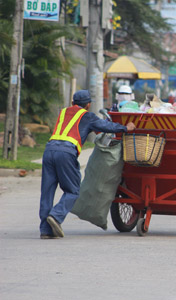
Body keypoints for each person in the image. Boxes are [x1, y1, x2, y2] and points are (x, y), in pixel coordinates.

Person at [39, 90, 136, 239]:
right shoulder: (88, 116)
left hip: (49, 150)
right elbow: (106, 126)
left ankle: (45, 230)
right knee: (73, 191)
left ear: (72, 103)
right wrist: (125, 128)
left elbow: (76, 127)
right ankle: (56, 216)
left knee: (47, 192)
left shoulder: (63, 112)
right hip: (66, 152)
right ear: (89, 105)